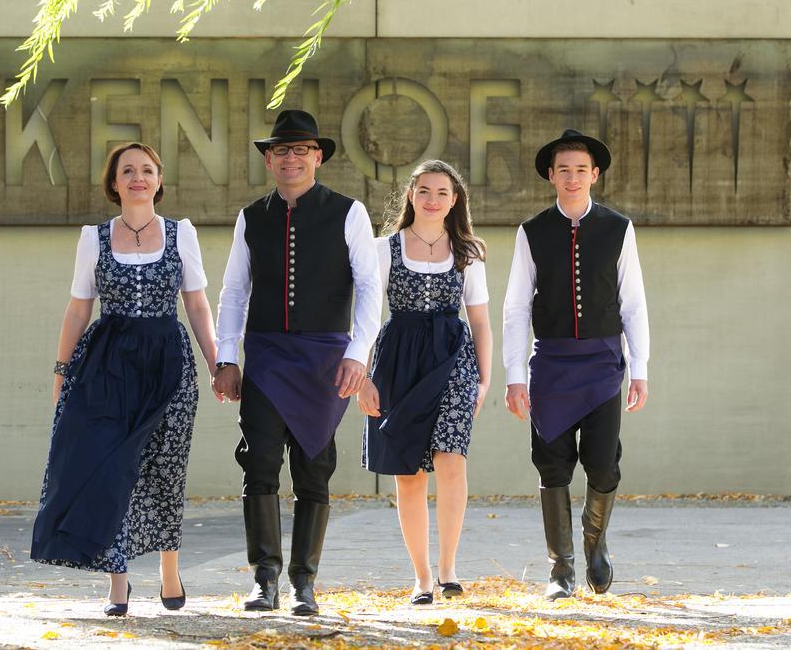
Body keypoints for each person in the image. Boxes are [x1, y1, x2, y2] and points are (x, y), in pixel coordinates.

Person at [30, 142, 219, 617]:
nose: (138, 177)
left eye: (147, 170)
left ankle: (169, 569)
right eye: (127, 170)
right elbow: (78, 307)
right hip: (107, 365)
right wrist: (61, 368)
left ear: (159, 179)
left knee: (164, 467)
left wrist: (219, 364)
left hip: (167, 361)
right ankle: (118, 582)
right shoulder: (94, 237)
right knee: (112, 469)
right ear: (113, 183)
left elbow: (196, 304)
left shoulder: (182, 234)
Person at [212, 109, 382, 616]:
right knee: (259, 462)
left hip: (325, 359)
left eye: (301, 150)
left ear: (318, 157)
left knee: (314, 468)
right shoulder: (252, 216)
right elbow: (234, 291)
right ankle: (264, 579)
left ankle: (304, 582)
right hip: (265, 355)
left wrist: (358, 353)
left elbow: (371, 286)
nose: (291, 158)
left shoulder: (349, 212)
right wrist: (227, 356)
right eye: (282, 150)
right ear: (269, 159)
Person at [502, 129, 650, 600]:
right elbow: (515, 307)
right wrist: (514, 376)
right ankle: (560, 569)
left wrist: (640, 366)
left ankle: (595, 542)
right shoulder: (531, 232)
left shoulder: (617, 228)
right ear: (551, 175)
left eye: (580, 169)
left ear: (595, 175)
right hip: (551, 365)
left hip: (604, 363)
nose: (571, 177)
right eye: (563, 169)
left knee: (603, 466)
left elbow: (634, 303)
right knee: (552, 466)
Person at [357, 160, 492, 604]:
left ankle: (450, 568)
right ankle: (422, 578)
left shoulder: (467, 251)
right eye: (424, 191)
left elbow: (480, 322)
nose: (432, 200)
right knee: (409, 471)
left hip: (454, 358)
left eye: (442, 193)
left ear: (455, 201)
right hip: (398, 359)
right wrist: (363, 375)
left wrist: (485, 379)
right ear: (411, 196)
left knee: (452, 459)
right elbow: (365, 316)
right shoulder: (383, 249)